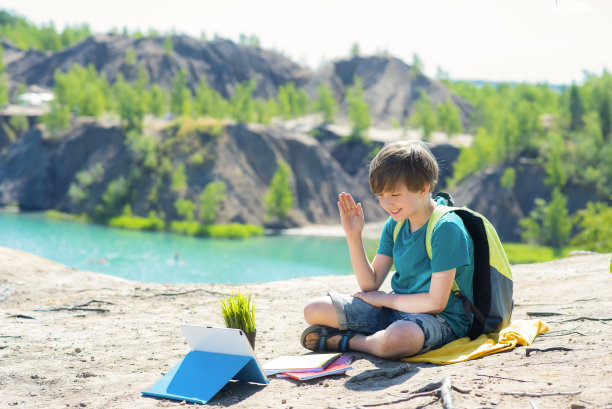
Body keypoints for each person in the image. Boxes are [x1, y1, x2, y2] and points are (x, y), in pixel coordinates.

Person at [301, 140, 475, 359]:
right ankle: (376, 337)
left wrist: (384, 299)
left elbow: (435, 303)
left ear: (423, 189)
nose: (387, 204)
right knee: (314, 309)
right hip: (396, 311)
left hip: (441, 319)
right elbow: (370, 284)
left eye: (394, 195)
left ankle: (351, 340)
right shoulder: (396, 224)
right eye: (380, 196)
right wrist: (354, 235)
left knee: (398, 340)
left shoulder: (446, 228)